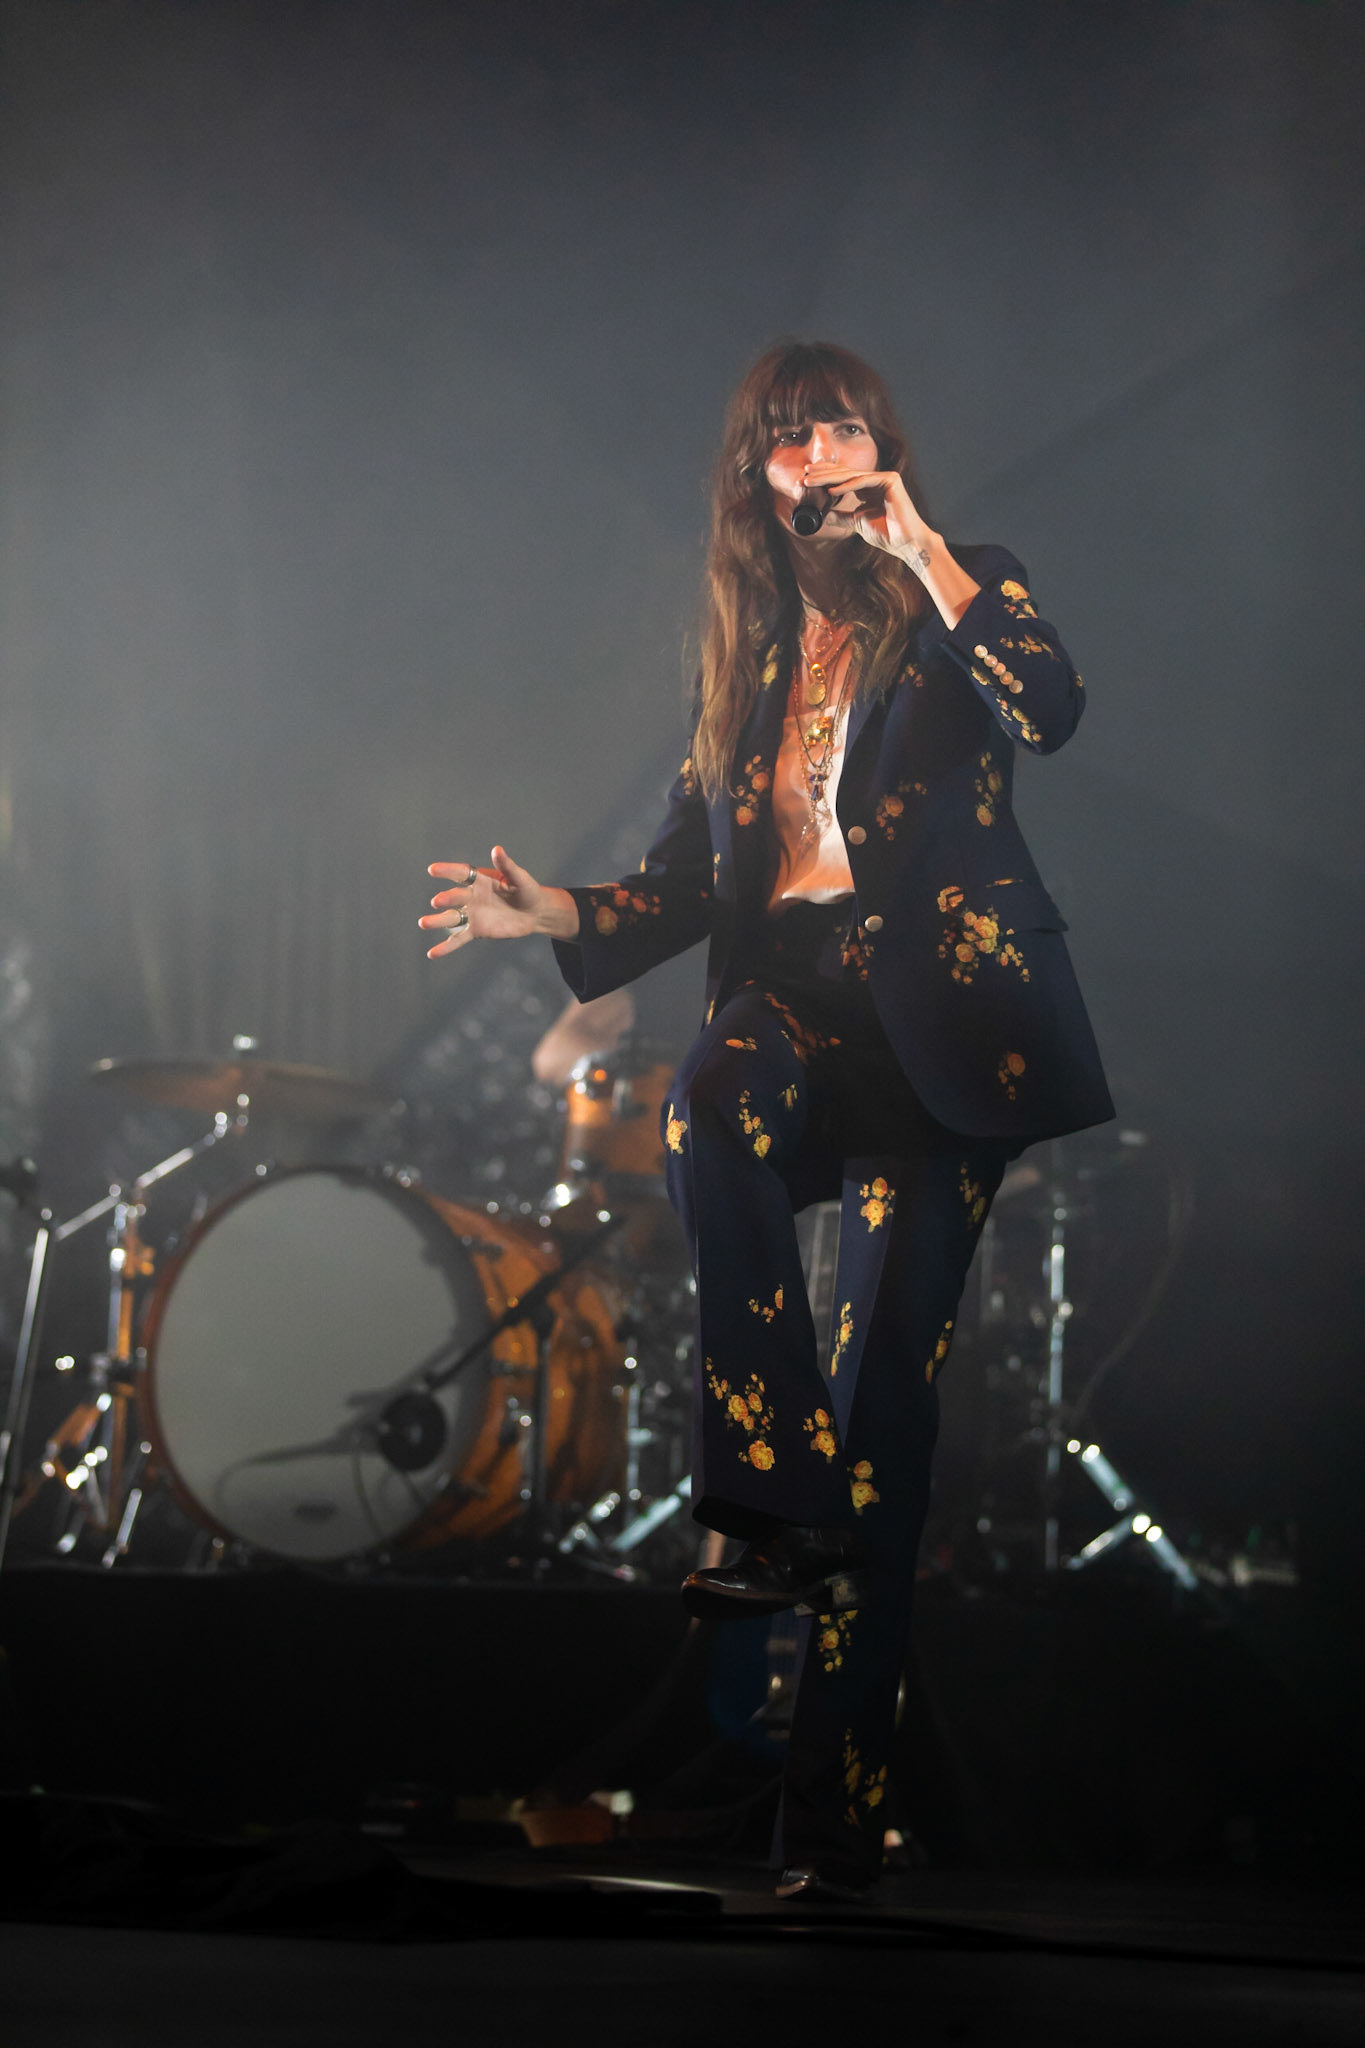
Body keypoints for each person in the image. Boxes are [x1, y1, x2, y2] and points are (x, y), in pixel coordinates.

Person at [419, 340, 1113, 1900]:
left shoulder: (961, 586)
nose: (823, 450)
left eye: (845, 426)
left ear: (881, 449)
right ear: (757, 476)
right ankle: (772, 1494)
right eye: (792, 435)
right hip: (792, 993)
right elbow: (688, 878)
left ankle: (832, 1822)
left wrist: (919, 546)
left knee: (884, 1430)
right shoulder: (740, 653)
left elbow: (1052, 708)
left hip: (940, 1026)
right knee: (704, 1101)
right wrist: (552, 911)